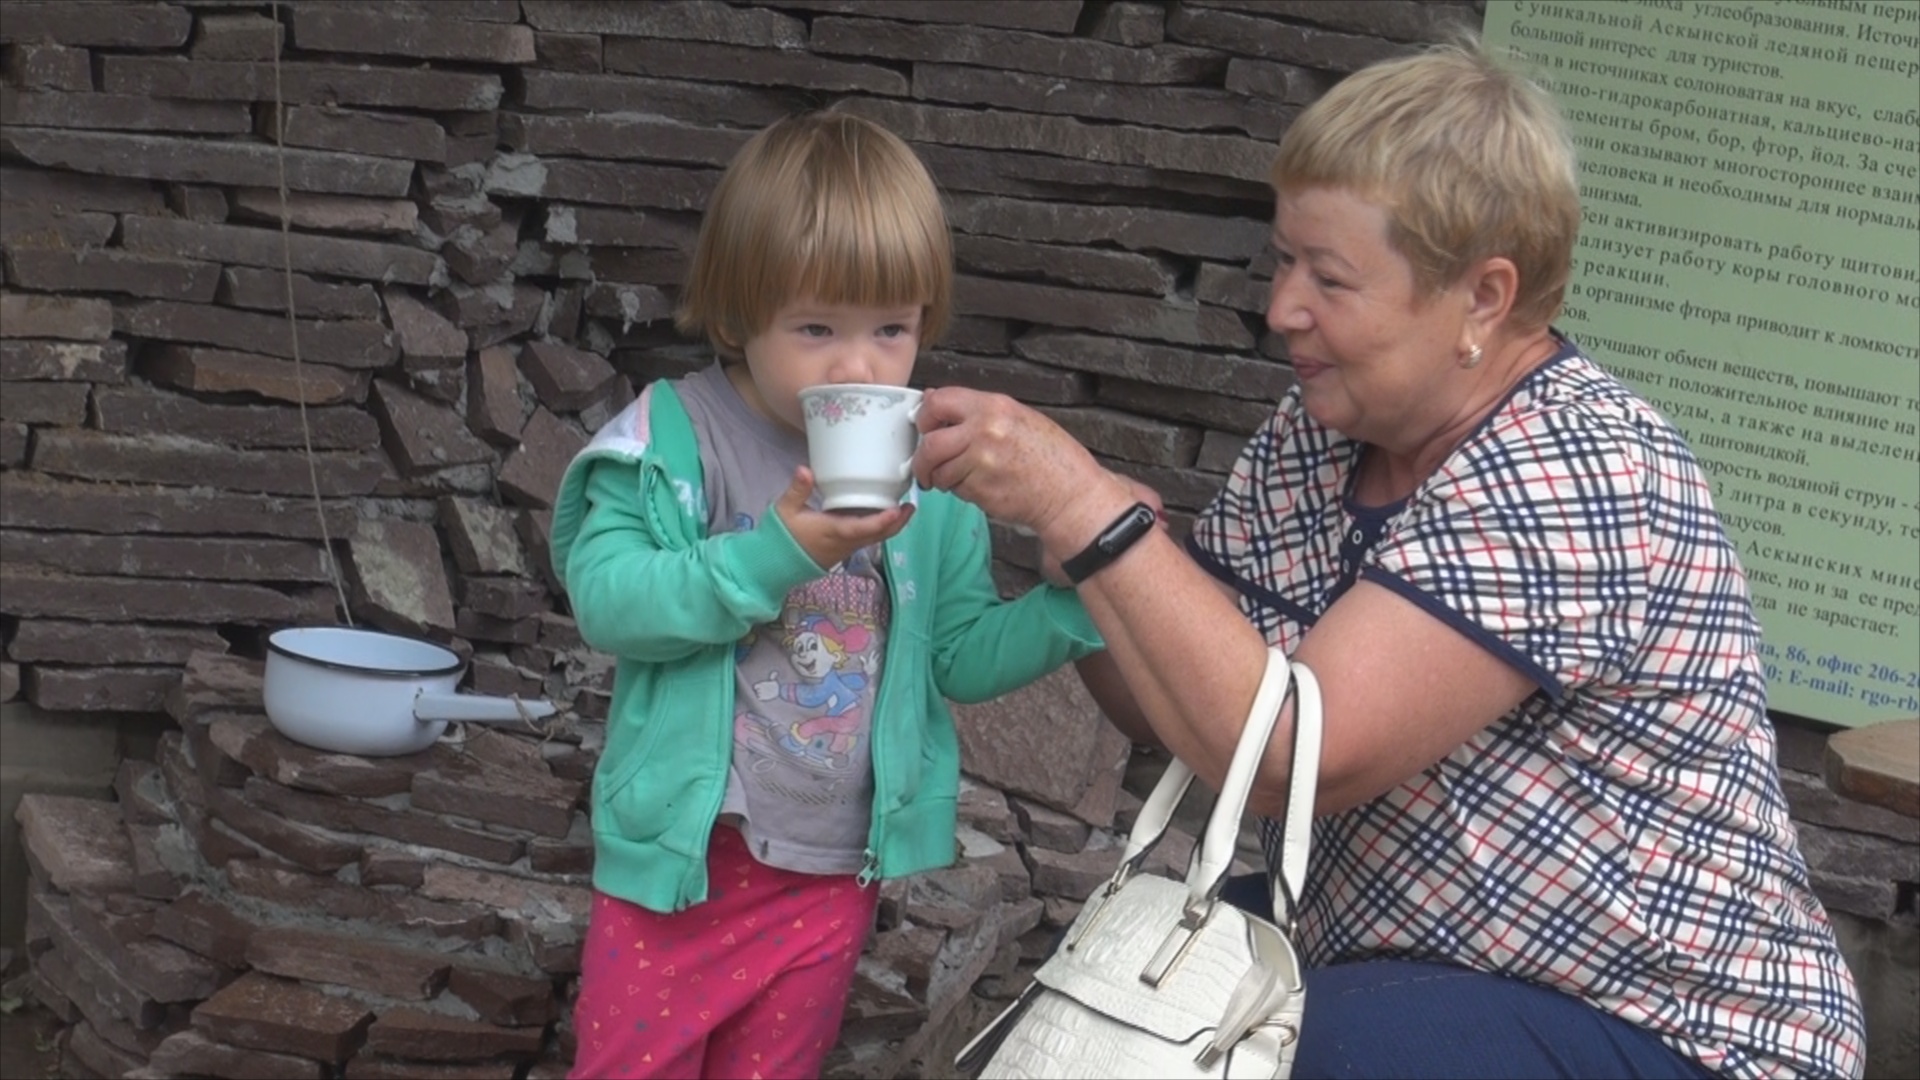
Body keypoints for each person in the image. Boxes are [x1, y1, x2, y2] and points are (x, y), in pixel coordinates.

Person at [911, 39, 1865, 1079]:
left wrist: (1084, 506)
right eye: (1283, 260)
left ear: (1483, 297)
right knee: (1163, 1008)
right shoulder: (1322, 428)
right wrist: (1086, 565)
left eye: (1331, 277)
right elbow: (1186, 711)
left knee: (1308, 1046)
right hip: (1411, 967)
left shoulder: (1575, 466)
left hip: (1664, 1025)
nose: (1283, 309)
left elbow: (1290, 758)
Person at [546, 111, 1104, 1080]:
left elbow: (955, 656)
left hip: (826, 879)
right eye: (816, 329)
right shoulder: (676, 438)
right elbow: (610, 600)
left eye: (891, 328)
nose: (858, 367)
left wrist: (1084, 599)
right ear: (736, 316)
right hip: (681, 880)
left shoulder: (925, 486)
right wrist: (776, 556)